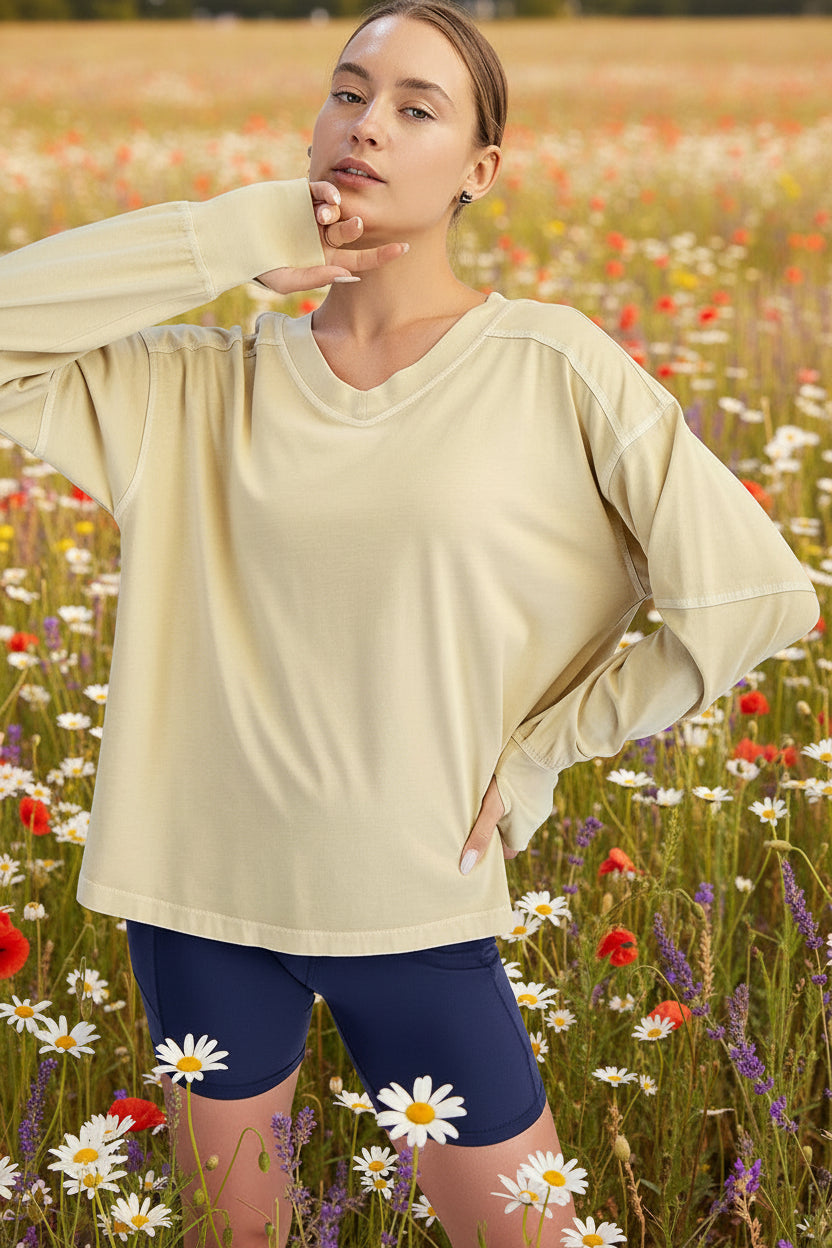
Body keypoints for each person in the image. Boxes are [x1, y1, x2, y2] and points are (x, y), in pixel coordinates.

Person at [0, 1, 819, 1243]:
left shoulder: (550, 365)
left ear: (479, 169)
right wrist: (241, 231)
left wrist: (541, 750)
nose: (366, 125)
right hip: (195, 896)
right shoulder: (196, 381)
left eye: (415, 107)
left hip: (413, 897)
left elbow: (755, 594)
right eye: (347, 92)